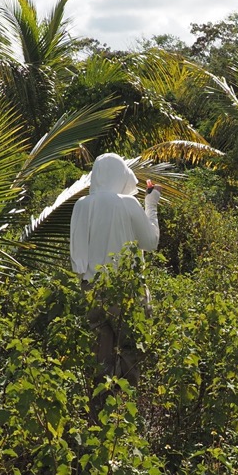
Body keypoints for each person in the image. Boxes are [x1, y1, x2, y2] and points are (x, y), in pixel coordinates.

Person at [69, 153, 161, 379]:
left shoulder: (81, 205)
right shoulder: (127, 203)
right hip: (125, 290)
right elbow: (150, 243)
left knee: (100, 355)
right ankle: (127, 405)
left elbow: (76, 258)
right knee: (130, 350)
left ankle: (100, 407)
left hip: (90, 289)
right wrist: (152, 204)